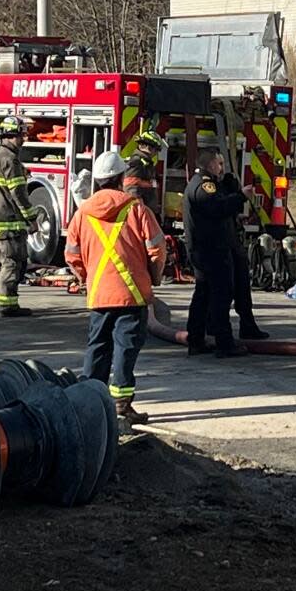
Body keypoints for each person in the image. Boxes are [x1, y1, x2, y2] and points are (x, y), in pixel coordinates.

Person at [65, 150, 166, 424]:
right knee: (125, 348)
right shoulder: (137, 209)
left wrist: (87, 277)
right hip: (132, 295)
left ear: (98, 181)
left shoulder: (82, 212)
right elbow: (157, 248)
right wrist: (153, 277)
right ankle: (121, 405)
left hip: (99, 293)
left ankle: (90, 402)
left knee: (97, 346)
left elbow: (71, 253)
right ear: (121, 178)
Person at [184, 148, 248, 358]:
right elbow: (216, 207)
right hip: (212, 250)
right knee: (221, 295)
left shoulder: (201, 184)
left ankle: (196, 339)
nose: (221, 169)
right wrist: (240, 197)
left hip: (204, 249)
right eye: (219, 164)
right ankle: (224, 343)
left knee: (203, 295)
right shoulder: (205, 186)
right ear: (210, 164)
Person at [0, 115, 39, 317]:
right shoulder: (10, 160)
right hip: (10, 224)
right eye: (21, 136)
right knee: (12, 264)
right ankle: (7, 305)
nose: (23, 140)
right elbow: (19, 194)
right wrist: (32, 219)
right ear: (11, 136)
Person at [221, 167, 269, 340]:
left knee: (240, 286)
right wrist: (240, 196)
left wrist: (236, 218)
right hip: (225, 247)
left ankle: (245, 326)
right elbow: (220, 209)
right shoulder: (209, 189)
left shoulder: (214, 188)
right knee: (226, 291)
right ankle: (219, 332)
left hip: (231, 243)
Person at [123, 131, 167, 215]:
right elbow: (131, 188)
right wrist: (137, 212)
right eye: (156, 149)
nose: (156, 153)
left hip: (147, 212)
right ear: (148, 147)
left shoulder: (145, 163)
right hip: (139, 213)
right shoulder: (136, 162)